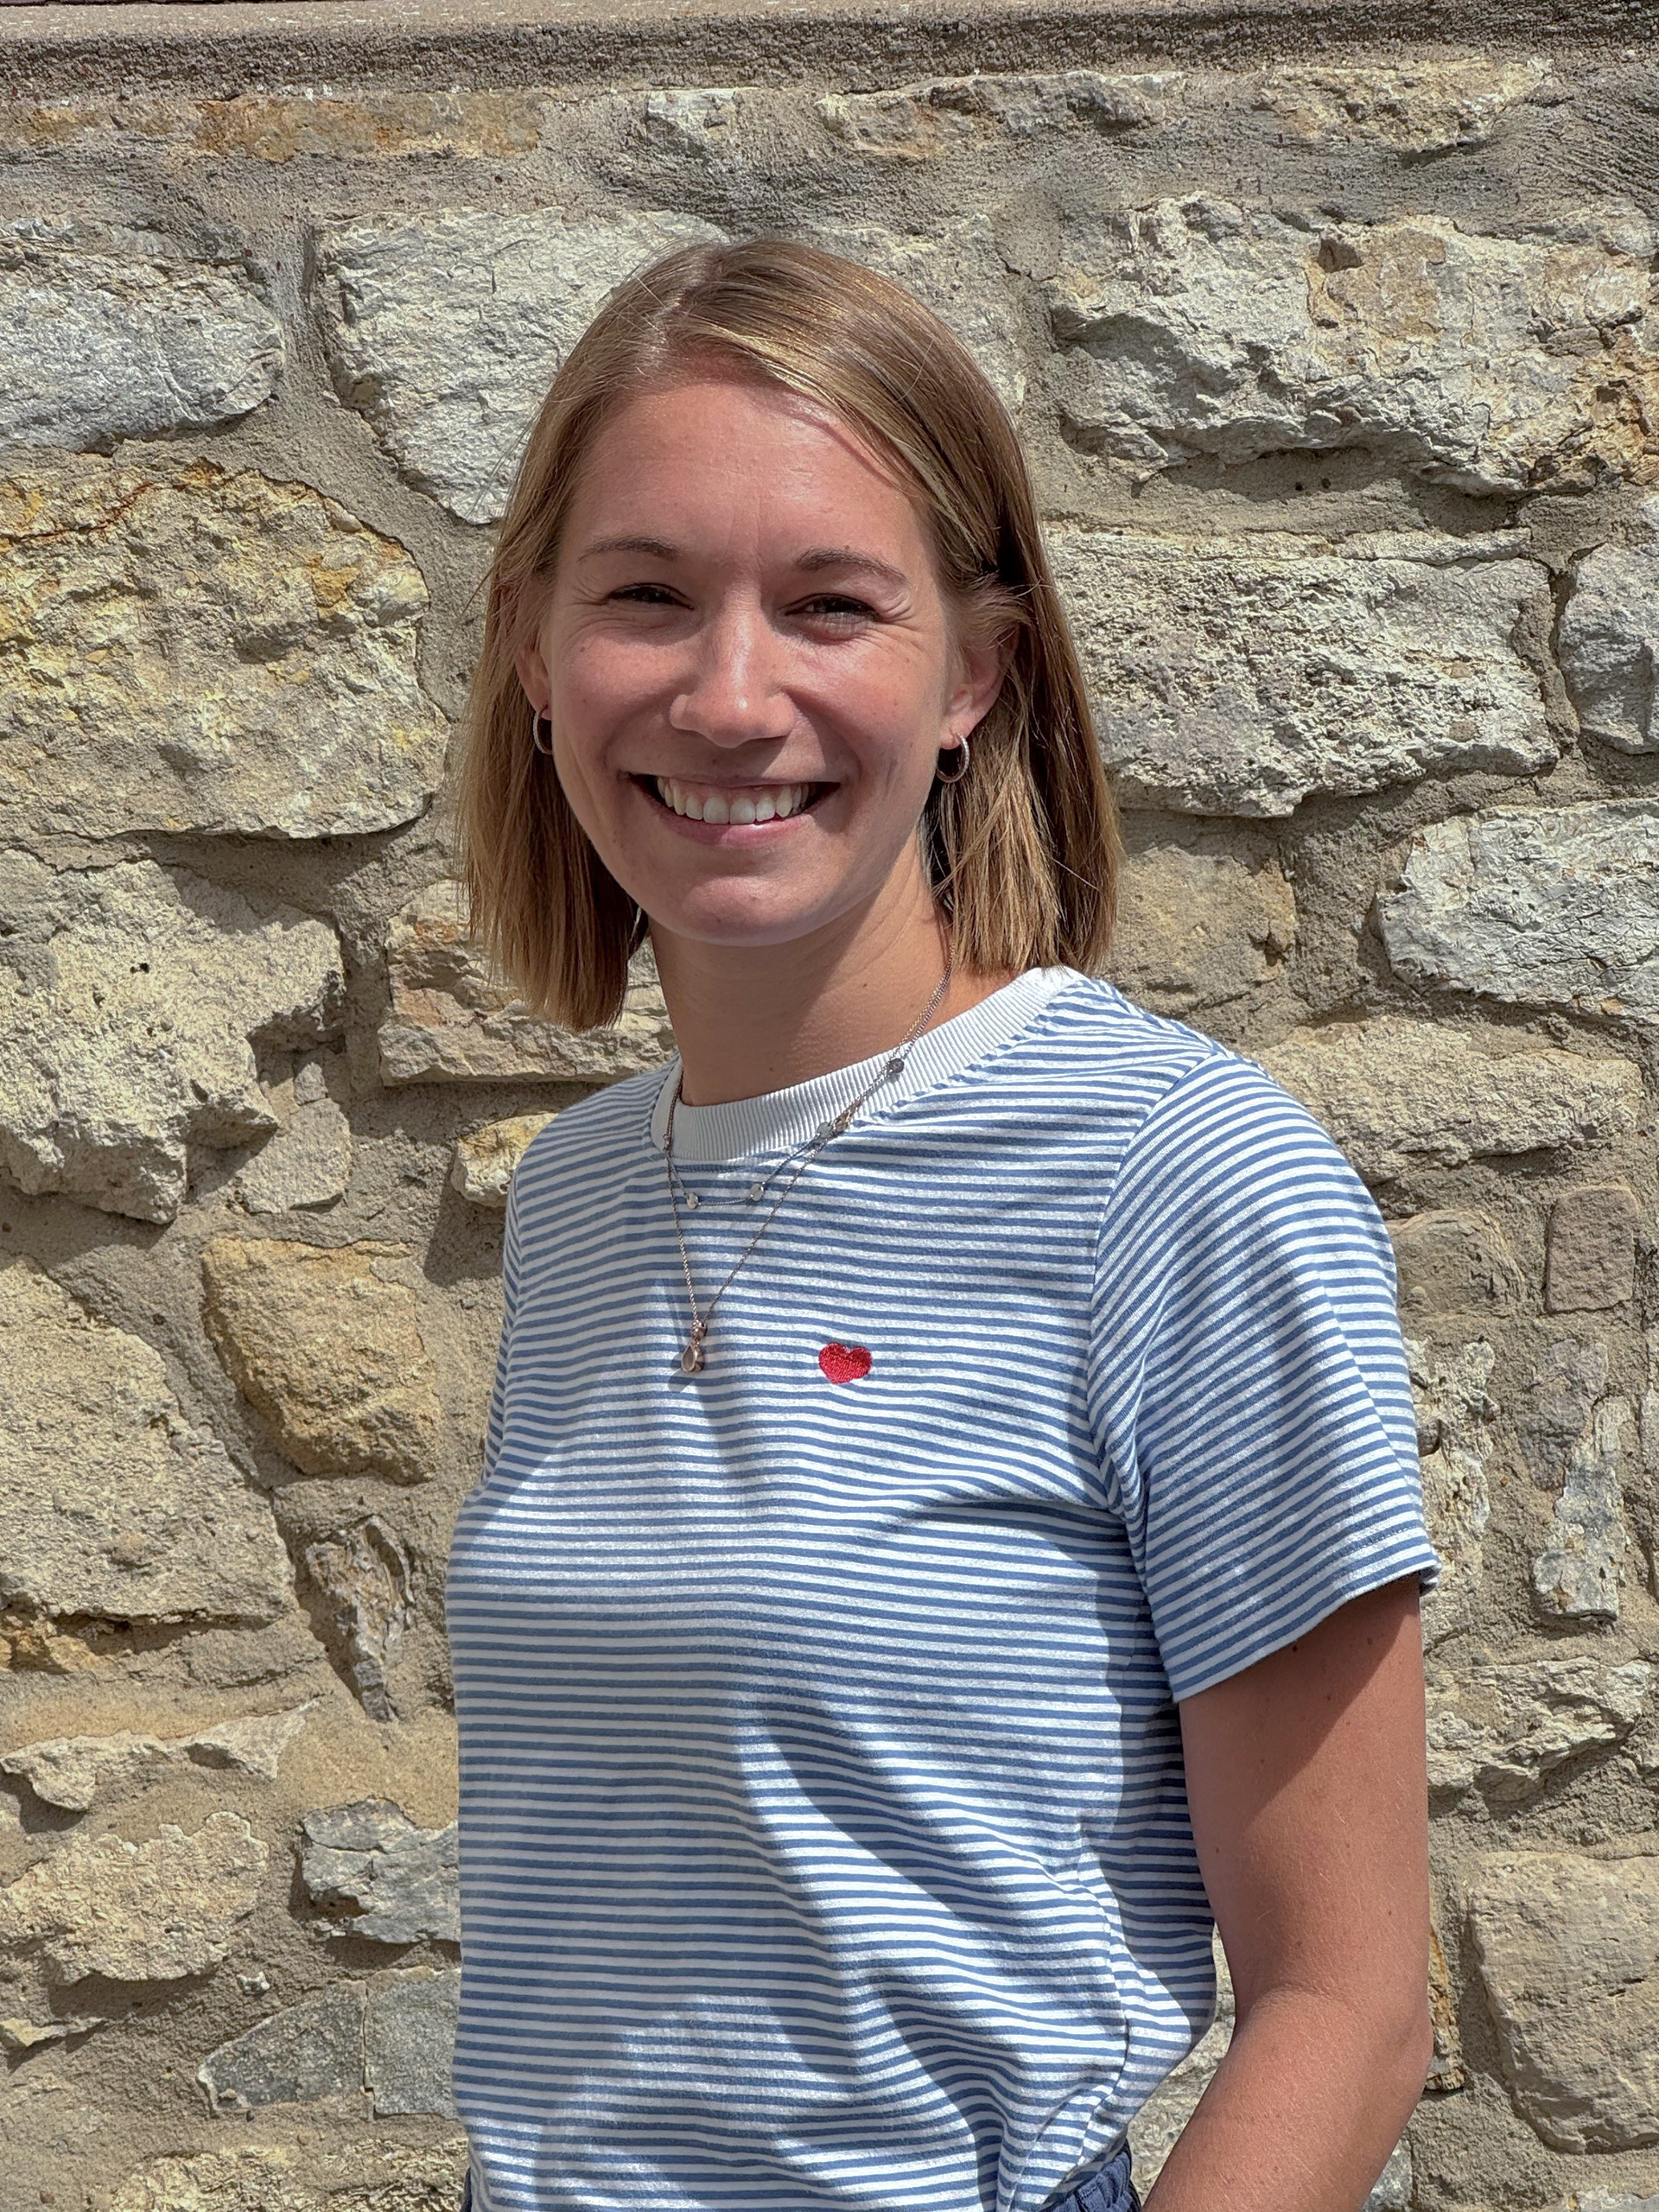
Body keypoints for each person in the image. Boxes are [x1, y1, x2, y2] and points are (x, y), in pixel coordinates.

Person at [446, 238, 1440, 2212]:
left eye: (831, 603)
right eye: (646, 595)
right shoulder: (578, 1192)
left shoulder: (1178, 1179)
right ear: (535, 652)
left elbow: (1348, 1998)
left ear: (975, 670)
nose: (731, 695)